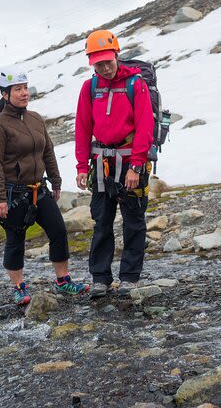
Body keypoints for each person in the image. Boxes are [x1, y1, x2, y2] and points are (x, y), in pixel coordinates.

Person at [0, 68, 89, 306]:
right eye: (17, 90)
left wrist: (56, 180)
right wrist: (0, 197)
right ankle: (19, 287)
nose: (24, 94)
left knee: (58, 231)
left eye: (25, 88)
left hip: (38, 189)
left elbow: (47, 151)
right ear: (5, 94)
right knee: (16, 238)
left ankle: (63, 281)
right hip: (14, 193)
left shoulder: (35, 118)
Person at [75, 29, 154, 299]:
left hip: (131, 161)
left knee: (133, 221)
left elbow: (145, 126)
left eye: (108, 61)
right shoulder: (90, 88)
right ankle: (100, 277)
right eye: (98, 64)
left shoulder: (136, 84)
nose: (105, 68)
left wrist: (137, 166)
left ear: (117, 55)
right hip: (101, 162)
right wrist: (81, 166)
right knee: (101, 221)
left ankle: (130, 277)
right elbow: (83, 127)